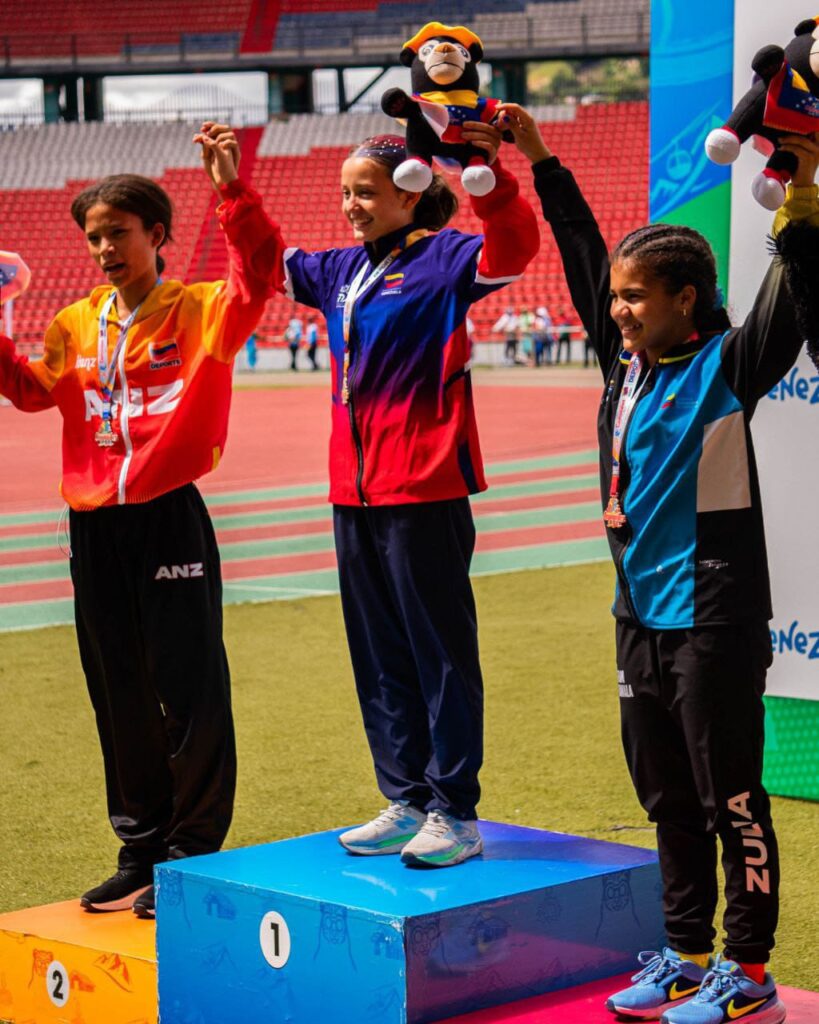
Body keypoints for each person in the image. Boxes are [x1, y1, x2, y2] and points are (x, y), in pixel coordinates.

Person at [499, 103, 819, 1024]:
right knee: (666, 799)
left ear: (686, 297)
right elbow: (580, 249)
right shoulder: (623, 365)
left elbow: (793, 287)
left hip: (712, 619)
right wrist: (539, 157)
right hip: (636, 617)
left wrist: (802, 189)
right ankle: (685, 956)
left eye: (636, 297)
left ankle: (748, 975)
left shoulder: (730, 364)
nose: (618, 310)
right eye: (616, 298)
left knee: (731, 802)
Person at [0, 123, 281, 918]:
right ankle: (141, 847)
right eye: (94, 237)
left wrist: (231, 191)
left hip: (167, 518)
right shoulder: (73, 323)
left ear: (156, 234)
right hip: (94, 526)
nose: (103, 249)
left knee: (187, 688)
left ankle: (190, 853)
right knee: (117, 689)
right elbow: (30, 392)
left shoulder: (201, 310)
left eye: (117, 232)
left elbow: (259, 274)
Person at [271, 131, 538, 866]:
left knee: (439, 657)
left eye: (364, 191)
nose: (351, 205)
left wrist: (487, 176)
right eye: (345, 193)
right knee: (380, 655)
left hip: (424, 487)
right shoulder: (339, 269)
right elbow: (265, 263)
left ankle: (454, 811)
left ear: (410, 191)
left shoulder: (445, 258)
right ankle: (406, 798)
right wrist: (232, 192)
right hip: (352, 494)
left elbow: (515, 246)